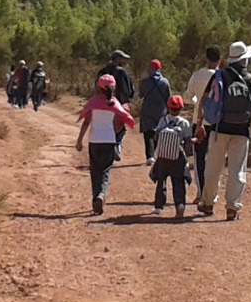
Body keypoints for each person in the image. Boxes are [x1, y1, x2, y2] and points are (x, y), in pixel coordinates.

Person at [198, 40, 251, 219]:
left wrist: (201, 122)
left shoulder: (219, 75)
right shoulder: (250, 80)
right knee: (237, 170)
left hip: (219, 128)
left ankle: (208, 204)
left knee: (213, 167)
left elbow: (203, 100)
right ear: (244, 60)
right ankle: (232, 207)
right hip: (241, 132)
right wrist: (249, 126)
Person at [74, 74, 136, 215]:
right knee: (105, 171)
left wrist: (79, 140)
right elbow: (119, 123)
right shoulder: (115, 103)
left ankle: (96, 196)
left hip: (94, 141)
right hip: (109, 141)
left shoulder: (93, 102)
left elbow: (86, 122)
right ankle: (101, 194)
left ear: (99, 87)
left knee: (95, 172)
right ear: (113, 87)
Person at [147, 94, 195, 218]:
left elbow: (156, 136)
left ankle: (158, 206)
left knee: (161, 181)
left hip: (163, 157)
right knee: (178, 182)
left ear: (168, 108)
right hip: (177, 157)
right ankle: (180, 204)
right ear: (181, 109)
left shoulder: (163, 120)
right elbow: (188, 141)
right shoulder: (184, 122)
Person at [185, 45, 222, 193]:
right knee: (216, 159)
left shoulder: (197, 75)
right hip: (217, 124)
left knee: (199, 158)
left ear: (206, 59)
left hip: (198, 121)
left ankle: (201, 192)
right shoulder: (222, 76)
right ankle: (212, 193)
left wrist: (197, 103)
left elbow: (187, 97)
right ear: (220, 59)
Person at [137, 59, 172, 162]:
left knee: (148, 133)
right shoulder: (165, 82)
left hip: (147, 110)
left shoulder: (144, 82)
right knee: (159, 133)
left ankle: (149, 156)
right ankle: (156, 153)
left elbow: (140, 95)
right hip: (161, 111)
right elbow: (168, 97)